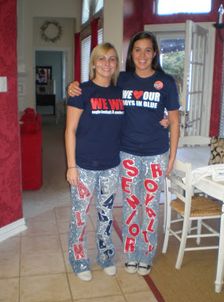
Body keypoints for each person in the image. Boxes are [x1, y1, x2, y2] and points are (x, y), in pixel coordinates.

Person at [68, 31, 180, 276]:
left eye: (147, 50)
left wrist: (171, 156)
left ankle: (144, 253)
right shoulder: (123, 81)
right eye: (137, 50)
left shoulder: (164, 82)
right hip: (125, 154)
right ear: (131, 54)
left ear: (154, 53)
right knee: (129, 206)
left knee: (149, 206)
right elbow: (91, 93)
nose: (142, 55)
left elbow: (174, 120)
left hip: (152, 154)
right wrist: (72, 86)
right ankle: (128, 252)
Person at [65, 42, 124, 281]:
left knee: (106, 214)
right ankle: (78, 258)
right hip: (84, 165)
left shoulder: (120, 93)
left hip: (111, 165)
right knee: (79, 215)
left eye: (111, 59)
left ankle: (106, 255)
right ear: (93, 63)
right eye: (101, 59)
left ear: (116, 64)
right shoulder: (81, 91)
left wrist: (163, 122)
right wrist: (71, 166)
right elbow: (70, 130)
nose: (106, 63)